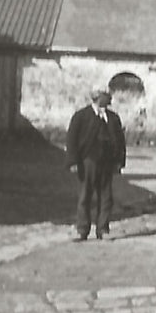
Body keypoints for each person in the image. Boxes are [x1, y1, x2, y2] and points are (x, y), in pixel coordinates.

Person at [66, 86, 126, 240]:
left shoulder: (113, 118)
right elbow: (71, 140)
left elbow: (120, 141)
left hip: (107, 163)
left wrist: (119, 161)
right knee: (85, 195)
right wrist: (73, 161)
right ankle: (82, 229)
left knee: (106, 196)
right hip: (88, 162)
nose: (110, 99)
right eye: (107, 96)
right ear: (97, 97)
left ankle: (103, 229)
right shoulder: (81, 116)